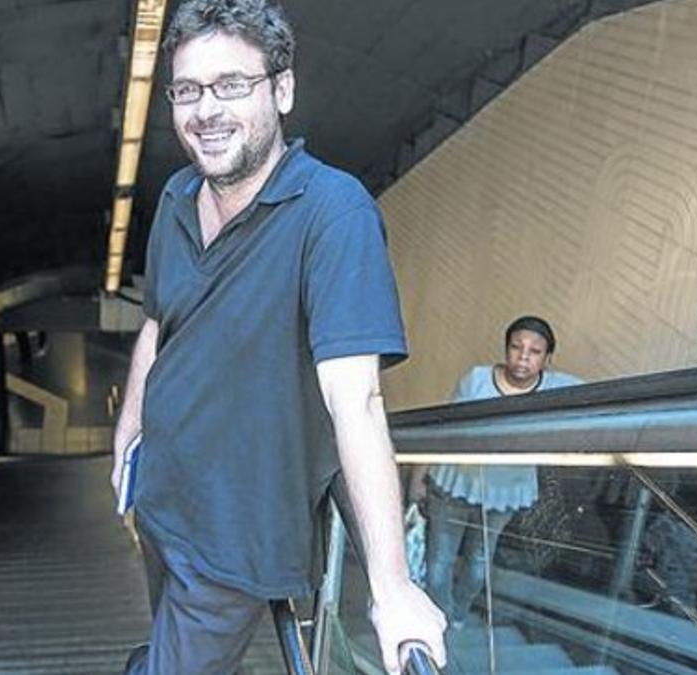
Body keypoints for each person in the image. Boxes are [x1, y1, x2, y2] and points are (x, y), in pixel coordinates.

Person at [111, 1, 446, 672]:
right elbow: (157, 322)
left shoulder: (333, 211)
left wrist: (392, 583)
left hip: (237, 527)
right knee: (170, 642)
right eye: (187, 90)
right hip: (161, 496)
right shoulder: (177, 199)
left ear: (282, 89)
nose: (206, 109)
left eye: (232, 84)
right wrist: (128, 429)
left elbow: (357, 400)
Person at [408, 316, 582, 628]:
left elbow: (601, 397)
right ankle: (439, 621)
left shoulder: (556, 388)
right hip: (455, 483)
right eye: (516, 347)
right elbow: (445, 427)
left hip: (505, 490)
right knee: (439, 562)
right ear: (506, 350)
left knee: (477, 563)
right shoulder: (476, 380)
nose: (523, 357)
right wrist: (419, 474)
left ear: (547, 359)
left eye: (534, 351)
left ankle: (458, 612)